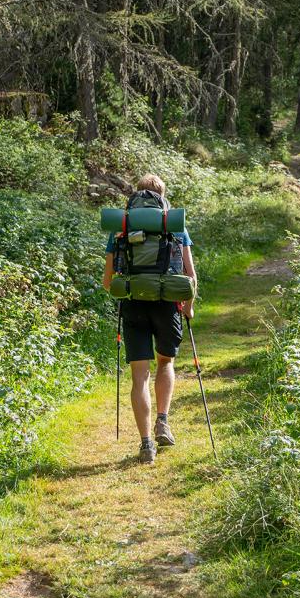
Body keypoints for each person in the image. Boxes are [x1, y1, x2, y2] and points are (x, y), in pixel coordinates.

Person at [103, 174, 196, 464]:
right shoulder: (173, 225)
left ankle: (145, 445)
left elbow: (108, 281)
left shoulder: (121, 228)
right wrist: (188, 307)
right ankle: (162, 421)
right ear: (162, 196)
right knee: (165, 362)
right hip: (167, 303)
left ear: (135, 196)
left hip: (133, 305)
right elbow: (191, 276)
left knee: (139, 375)